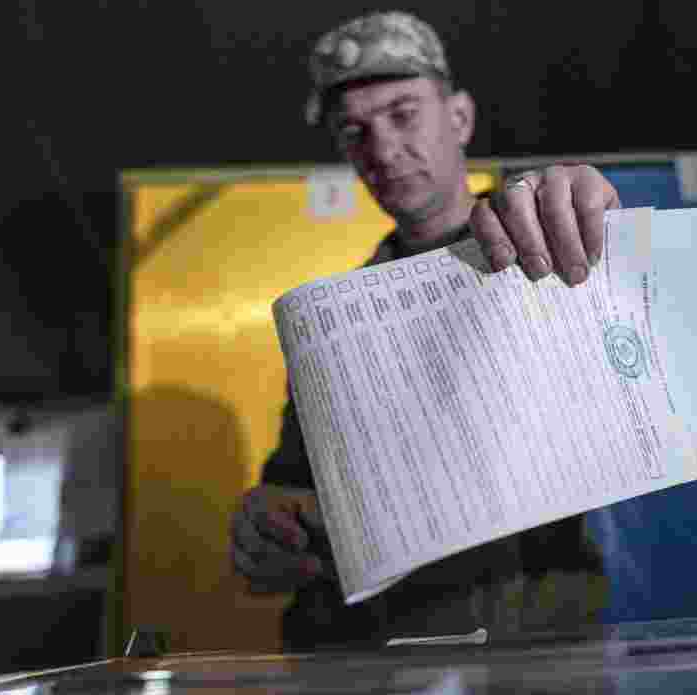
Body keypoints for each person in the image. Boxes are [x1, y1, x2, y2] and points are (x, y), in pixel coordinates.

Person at [229, 10, 622, 650]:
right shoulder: (333, 321)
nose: (383, 150)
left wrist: (593, 219)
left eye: (404, 114)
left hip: (540, 657)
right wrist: (269, 526)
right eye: (354, 132)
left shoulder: (546, 250)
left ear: (459, 118)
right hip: (373, 661)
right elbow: (296, 485)